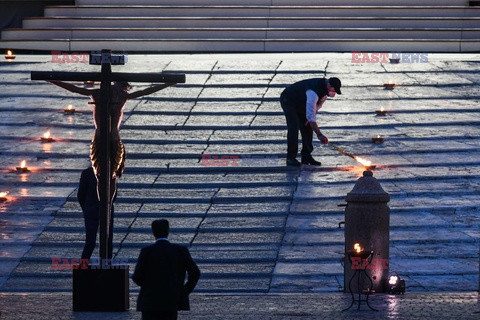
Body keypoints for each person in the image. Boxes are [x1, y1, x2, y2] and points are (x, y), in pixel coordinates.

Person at [48, 80, 174, 203]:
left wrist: (52, 80)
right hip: (111, 136)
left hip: (102, 136)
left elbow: (74, 88)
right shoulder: (119, 96)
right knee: (109, 175)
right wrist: (168, 83)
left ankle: (105, 203)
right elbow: (147, 91)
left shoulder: (99, 94)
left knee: (103, 175)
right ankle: (105, 203)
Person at [133, 219, 200, 320]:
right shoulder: (180, 251)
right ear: (168, 231)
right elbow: (195, 273)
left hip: (150, 300)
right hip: (171, 300)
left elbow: (137, 277)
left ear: (153, 232)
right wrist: (183, 290)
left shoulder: (146, 251)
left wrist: (149, 285)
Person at [280, 77, 342, 167]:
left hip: (302, 101)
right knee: (294, 127)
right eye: (334, 90)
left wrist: (309, 118)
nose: (334, 93)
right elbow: (311, 114)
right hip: (289, 100)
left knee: (308, 127)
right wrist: (319, 134)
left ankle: (306, 156)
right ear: (329, 86)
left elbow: (318, 105)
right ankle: (291, 158)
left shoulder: (324, 92)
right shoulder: (313, 92)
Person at [77, 166, 114, 260]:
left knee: (100, 241)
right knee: (96, 241)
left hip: (94, 209)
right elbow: (81, 195)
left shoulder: (88, 173)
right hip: (96, 209)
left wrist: (86, 208)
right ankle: (104, 266)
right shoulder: (110, 172)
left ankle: (85, 266)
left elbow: (81, 195)